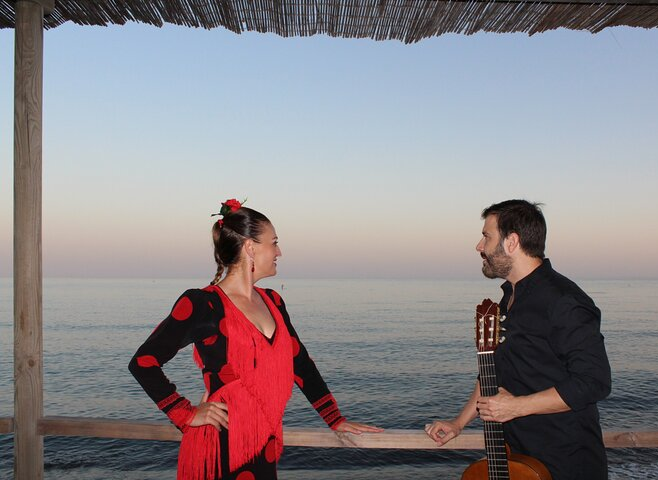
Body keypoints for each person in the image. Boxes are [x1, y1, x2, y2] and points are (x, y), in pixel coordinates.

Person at [129, 198, 382, 480]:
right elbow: (143, 362)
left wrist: (335, 419)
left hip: (264, 445)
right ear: (250, 247)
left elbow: (301, 365)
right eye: (273, 242)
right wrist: (185, 413)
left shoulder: (274, 301)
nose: (280, 251)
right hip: (219, 450)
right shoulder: (203, 304)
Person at [425, 199, 611, 480]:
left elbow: (593, 381)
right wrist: (459, 423)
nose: (479, 246)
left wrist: (515, 406)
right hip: (515, 455)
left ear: (511, 242)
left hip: (566, 462)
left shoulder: (564, 300)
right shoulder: (508, 300)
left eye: (487, 236)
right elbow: (493, 374)